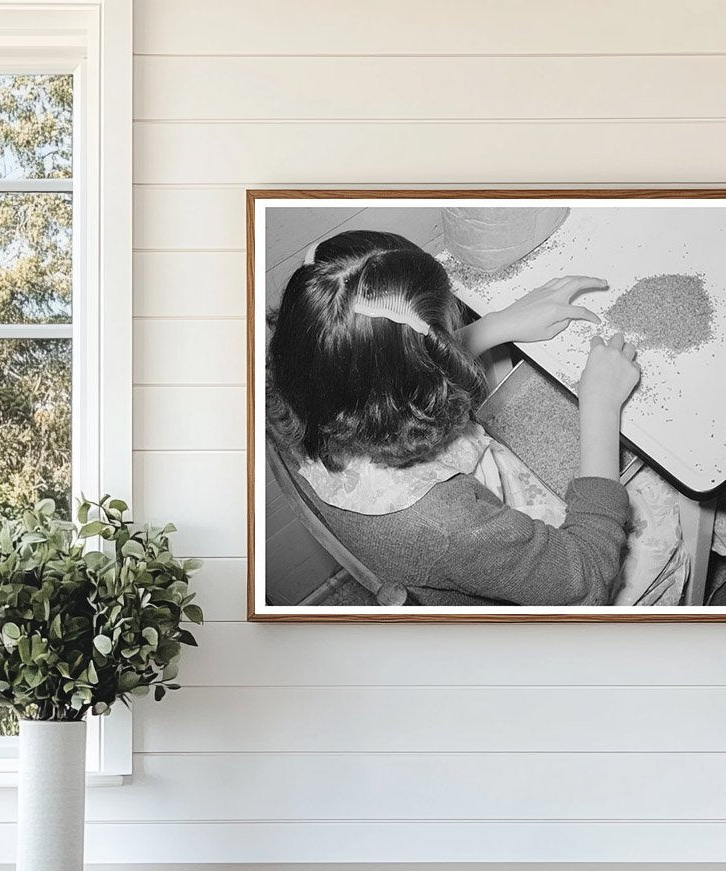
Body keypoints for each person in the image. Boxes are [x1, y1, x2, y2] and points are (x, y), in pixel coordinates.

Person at [267, 229, 640, 606]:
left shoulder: (291, 374)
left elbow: (373, 366)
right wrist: (601, 407)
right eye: (443, 333)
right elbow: (589, 577)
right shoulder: (445, 523)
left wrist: (497, 324)